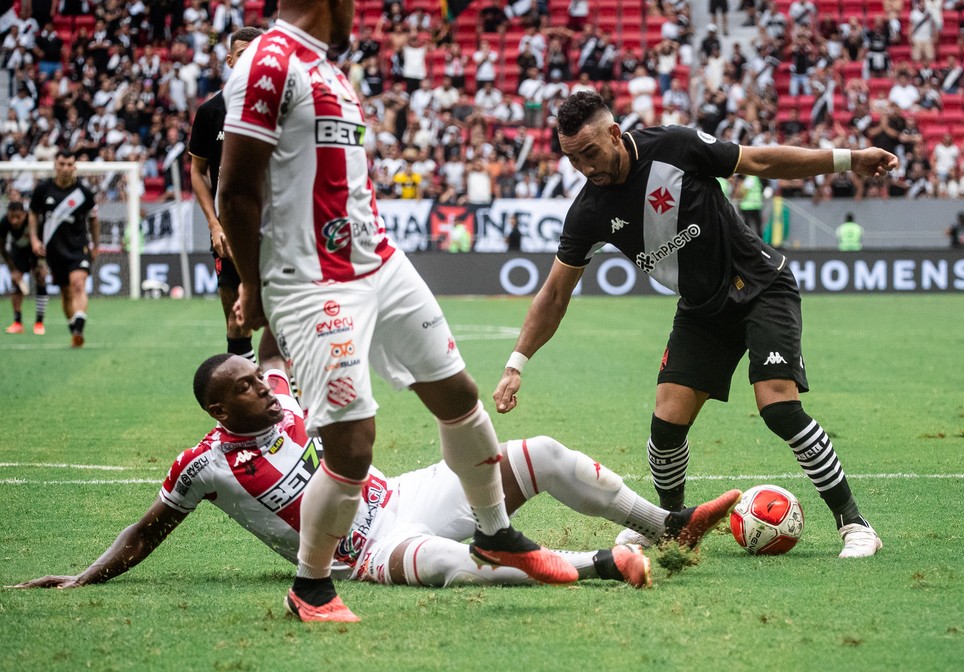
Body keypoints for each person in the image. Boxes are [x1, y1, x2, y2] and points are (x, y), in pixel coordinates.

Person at [217, 0, 576, 623]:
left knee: (459, 396)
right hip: (313, 281)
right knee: (352, 445)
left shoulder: (327, 69)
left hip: (380, 261)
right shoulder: (267, 61)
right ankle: (311, 586)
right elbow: (236, 189)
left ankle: (493, 531)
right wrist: (251, 285)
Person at [492, 91, 897, 560]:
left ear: (615, 135)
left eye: (590, 153)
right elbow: (555, 294)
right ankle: (669, 524)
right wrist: (516, 363)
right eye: (573, 159)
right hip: (702, 310)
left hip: (760, 286)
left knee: (778, 407)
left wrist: (848, 160)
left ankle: (854, 522)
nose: (585, 167)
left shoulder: (676, 147)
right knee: (666, 427)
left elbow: (760, 161)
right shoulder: (588, 211)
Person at [11, 353, 742, 594]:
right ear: (216, 404)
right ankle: (602, 567)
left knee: (541, 451)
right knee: (449, 564)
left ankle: (669, 527)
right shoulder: (204, 465)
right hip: (363, 554)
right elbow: (148, 529)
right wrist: (84, 577)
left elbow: (278, 325)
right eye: (244, 386)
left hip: (407, 493)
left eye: (258, 379)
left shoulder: (285, 390)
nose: (262, 387)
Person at [188, 26, 264, 364]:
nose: (249, 60)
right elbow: (197, 171)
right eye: (242, 54)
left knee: (287, 320)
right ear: (231, 60)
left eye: (256, 53)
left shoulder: (281, 109)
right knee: (236, 321)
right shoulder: (210, 112)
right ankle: (250, 411)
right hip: (228, 232)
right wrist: (214, 224)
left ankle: (294, 406)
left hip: (273, 230)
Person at [27, 149, 99, 348]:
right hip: (53, 250)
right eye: (62, 164)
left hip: (78, 248)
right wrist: (34, 239)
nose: (66, 168)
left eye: (69, 165)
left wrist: (96, 245)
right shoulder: (43, 190)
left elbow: (94, 219)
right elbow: (32, 214)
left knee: (78, 285)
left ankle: (79, 329)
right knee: (66, 293)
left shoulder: (84, 193)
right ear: (55, 165)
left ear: (74, 167)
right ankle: (74, 331)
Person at [1, 201, 49, 334]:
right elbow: (2, 248)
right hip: (18, 251)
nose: (14, 221)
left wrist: (42, 262)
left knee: (41, 277)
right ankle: (17, 322)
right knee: (15, 283)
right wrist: (13, 270)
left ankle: (39, 322)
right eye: (11, 217)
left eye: (17, 217)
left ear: (24, 214)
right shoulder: (4, 222)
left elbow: (45, 240)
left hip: (37, 251)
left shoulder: (35, 221)